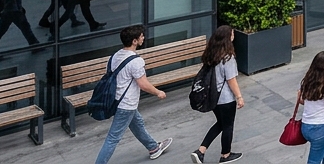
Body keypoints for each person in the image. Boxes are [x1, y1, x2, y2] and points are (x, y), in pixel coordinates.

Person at [94, 25, 171, 164]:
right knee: (113, 138)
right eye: (141, 36)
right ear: (134, 41)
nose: (143, 38)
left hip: (116, 100)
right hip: (126, 104)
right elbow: (143, 84)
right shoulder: (136, 61)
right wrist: (158, 92)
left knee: (138, 123)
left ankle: (153, 148)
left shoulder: (116, 55)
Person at [189, 26, 244, 164]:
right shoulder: (228, 57)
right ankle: (225, 155)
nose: (233, 37)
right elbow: (231, 80)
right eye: (232, 34)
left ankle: (200, 151)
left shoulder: (211, 54)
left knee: (220, 123)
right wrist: (239, 97)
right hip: (225, 98)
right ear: (227, 38)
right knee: (228, 126)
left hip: (213, 97)